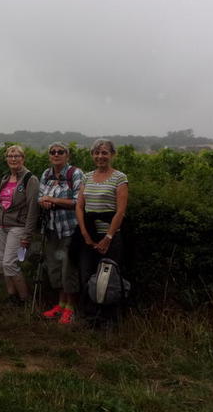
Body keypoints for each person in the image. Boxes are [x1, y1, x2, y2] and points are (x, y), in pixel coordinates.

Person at [75, 139, 128, 326]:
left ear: (112, 155)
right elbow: (80, 206)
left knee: (108, 277)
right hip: (89, 234)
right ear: (92, 155)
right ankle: (89, 316)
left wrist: (108, 237)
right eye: (97, 153)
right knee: (87, 274)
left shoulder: (119, 178)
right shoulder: (86, 177)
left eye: (104, 153)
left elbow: (120, 211)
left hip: (110, 235)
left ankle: (108, 319)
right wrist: (85, 234)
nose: (100, 156)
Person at [38, 142, 84, 323]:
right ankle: (60, 304)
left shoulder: (75, 174)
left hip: (70, 230)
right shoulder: (46, 174)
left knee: (68, 270)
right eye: (53, 152)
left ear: (67, 155)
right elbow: (40, 196)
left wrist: (53, 200)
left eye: (60, 152)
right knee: (55, 268)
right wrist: (44, 201)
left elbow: (77, 201)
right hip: (51, 229)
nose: (56, 154)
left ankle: (70, 307)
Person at [0, 145, 39, 305]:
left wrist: (27, 235)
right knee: (1, 262)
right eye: (10, 156)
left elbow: (33, 209)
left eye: (17, 156)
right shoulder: (5, 178)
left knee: (9, 263)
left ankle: (25, 299)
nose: (13, 159)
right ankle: (12, 296)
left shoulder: (30, 179)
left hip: (18, 226)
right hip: (1, 226)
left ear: (23, 159)